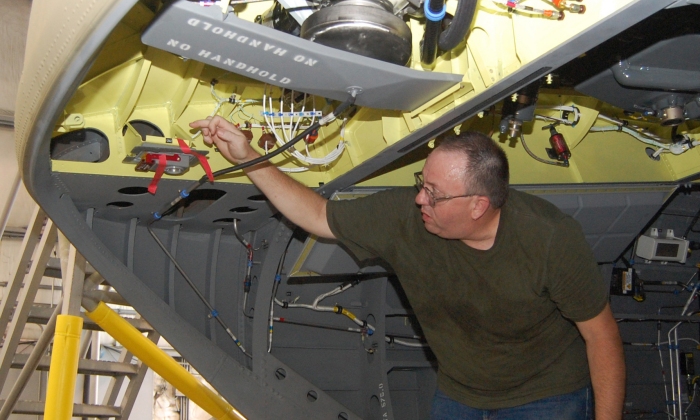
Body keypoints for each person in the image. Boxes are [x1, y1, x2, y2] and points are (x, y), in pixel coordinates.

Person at [191, 116, 625, 420]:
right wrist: (248, 156)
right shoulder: (405, 217)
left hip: (546, 395)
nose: (421, 199)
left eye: (434, 194)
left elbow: (601, 337)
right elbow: (318, 216)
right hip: (460, 394)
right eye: (422, 183)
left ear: (478, 205)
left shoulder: (549, 239)